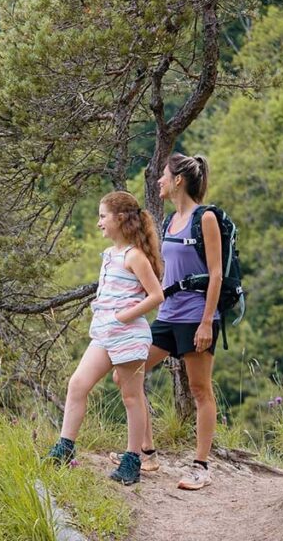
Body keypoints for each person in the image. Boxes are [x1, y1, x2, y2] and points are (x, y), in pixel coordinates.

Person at [112, 153, 223, 490]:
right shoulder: (169, 221)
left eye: (163, 175)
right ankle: (147, 454)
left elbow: (216, 274)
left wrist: (206, 323)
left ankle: (200, 466)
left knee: (200, 389)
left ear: (178, 180)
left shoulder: (204, 218)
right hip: (168, 316)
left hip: (196, 317)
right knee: (127, 373)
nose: (158, 180)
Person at [47, 191, 164, 485]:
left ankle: (132, 461)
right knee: (78, 384)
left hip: (129, 337)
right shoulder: (110, 254)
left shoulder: (134, 255)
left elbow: (156, 296)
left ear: (120, 218)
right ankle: (63, 448)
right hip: (104, 335)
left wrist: (125, 315)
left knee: (130, 396)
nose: (99, 222)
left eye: (103, 216)